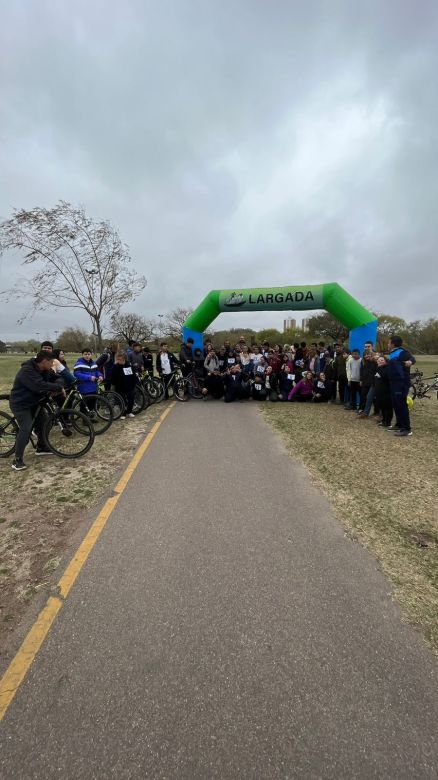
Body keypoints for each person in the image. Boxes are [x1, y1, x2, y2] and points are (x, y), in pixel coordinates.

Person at [9, 351, 65, 470]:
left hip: (35, 403)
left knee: (46, 422)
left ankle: (42, 447)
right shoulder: (27, 371)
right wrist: (57, 387)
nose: (52, 365)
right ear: (44, 361)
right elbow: (38, 385)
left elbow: (58, 377)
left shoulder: (45, 369)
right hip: (21, 404)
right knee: (26, 428)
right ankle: (17, 460)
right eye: (51, 362)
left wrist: (59, 385)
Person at [386, 336, 416, 436]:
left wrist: (410, 362)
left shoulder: (402, 352)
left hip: (401, 382)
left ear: (393, 344)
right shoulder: (393, 352)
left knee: (401, 404)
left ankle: (407, 429)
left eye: (389, 343)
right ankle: (399, 424)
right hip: (394, 382)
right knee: (395, 403)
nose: (388, 344)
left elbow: (412, 358)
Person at [109, 352, 137, 418]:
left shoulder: (129, 365)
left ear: (124, 359)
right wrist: (115, 383)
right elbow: (112, 376)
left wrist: (134, 383)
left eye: (120, 359)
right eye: (117, 359)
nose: (118, 361)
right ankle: (123, 413)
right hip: (120, 387)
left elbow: (133, 375)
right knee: (122, 401)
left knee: (131, 399)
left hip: (130, 386)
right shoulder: (115, 366)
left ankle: (129, 412)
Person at [373, 356, 393, 428]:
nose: (380, 361)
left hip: (386, 392)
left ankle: (388, 423)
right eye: (378, 360)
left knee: (388, 407)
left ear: (385, 361)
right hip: (379, 392)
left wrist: (380, 375)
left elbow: (386, 378)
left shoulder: (387, 368)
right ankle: (384, 420)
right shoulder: (378, 368)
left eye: (382, 360)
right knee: (382, 407)